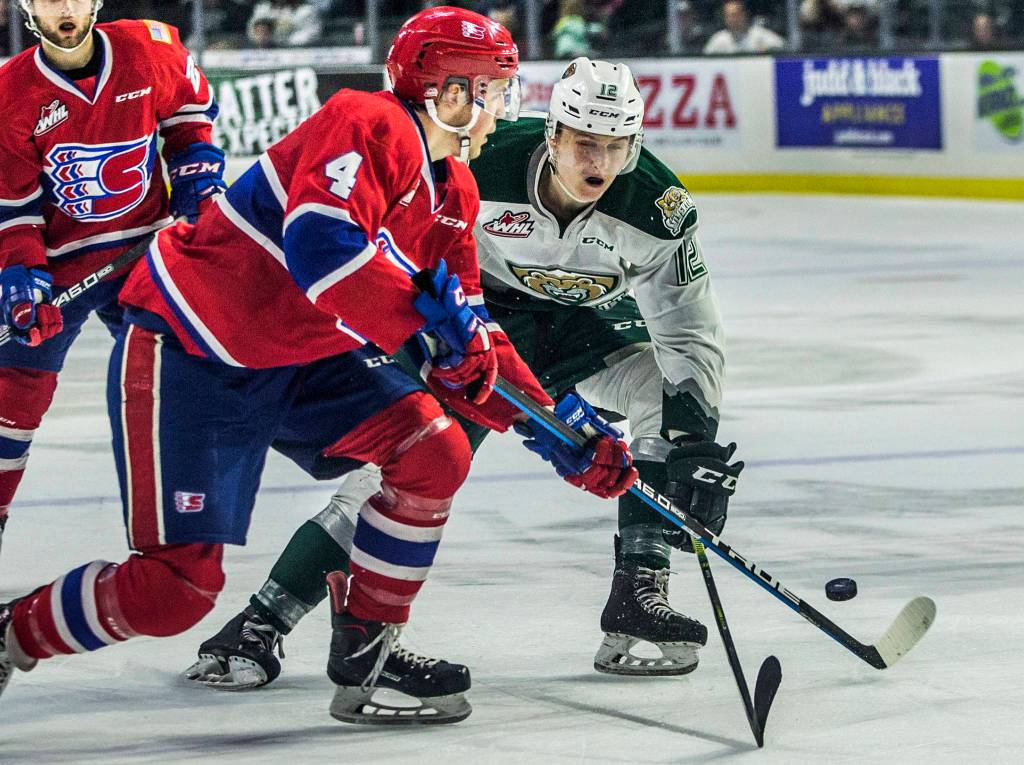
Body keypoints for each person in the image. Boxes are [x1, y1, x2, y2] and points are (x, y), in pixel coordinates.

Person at [0, 7, 637, 725]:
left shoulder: (453, 192)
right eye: (495, 89)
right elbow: (323, 251)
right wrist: (431, 330)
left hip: (306, 358)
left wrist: (559, 431)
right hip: (193, 349)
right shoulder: (363, 120)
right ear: (450, 93)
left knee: (435, 449)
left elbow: (474, 337)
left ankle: (366, 650)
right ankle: (10, 635)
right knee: (174, 590)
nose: (503, 108)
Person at [183, 56, 741, 690]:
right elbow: (399, 246)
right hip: (479, 326)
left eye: (617, 147)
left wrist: (694, 443)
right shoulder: (483, 157)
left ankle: (639, 593)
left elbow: (689, 332)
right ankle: (263, 621)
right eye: (585, 143)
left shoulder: (659, 209)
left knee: (660, 388)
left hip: (582, 328)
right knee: (417, 456)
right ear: (553, 133)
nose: (600, 164)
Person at [0, 0, 224, 558]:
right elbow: (15, 208)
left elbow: (189, 119)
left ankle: (178, 524)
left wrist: (196, 178)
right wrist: (22, 278)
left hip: (147, 249)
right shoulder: (9, 93)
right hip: (62, 263)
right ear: (28, 8)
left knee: (186, 371)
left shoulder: (148, 49)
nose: (66, 8)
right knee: (12, 395)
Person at [703, 0, 784, 54]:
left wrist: (768, 50)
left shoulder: (759, 34)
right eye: (728, 16)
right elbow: (704, 59)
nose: (732, 19)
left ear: (744, 15)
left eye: (734, 15)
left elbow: (781, 46)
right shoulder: (720, 38)